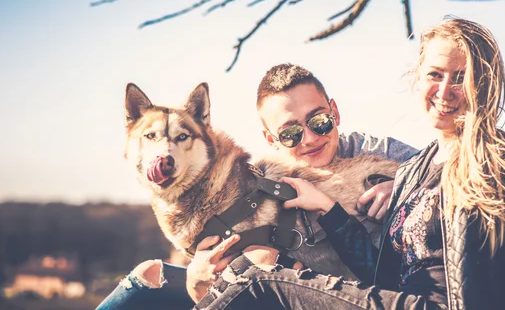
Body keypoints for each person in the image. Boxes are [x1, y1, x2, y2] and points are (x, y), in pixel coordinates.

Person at [192, 18, 505, 310]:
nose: (445, 92)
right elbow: (378, 274)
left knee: (257, 279)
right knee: (230, 273)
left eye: (462, 77)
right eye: (436, 75)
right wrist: (328, 208)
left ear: (484, 82)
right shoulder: (414, 170)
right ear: (418, 78)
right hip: (396, 300)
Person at [97, 64, 417, 309]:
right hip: (275, 282)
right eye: (290, 133)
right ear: (271, 139)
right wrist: (195, 279)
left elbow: (450, 172)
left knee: (252, 268)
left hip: (336, 290)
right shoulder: (259, 180)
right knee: (148, 274)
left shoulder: (378, 153)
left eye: (319, 122)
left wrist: (406, 184)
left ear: (335, 112)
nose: (309, 138)